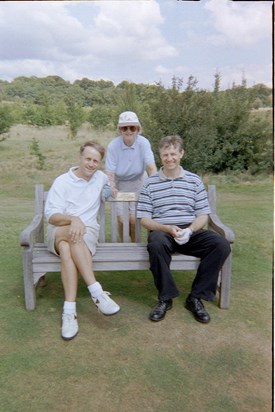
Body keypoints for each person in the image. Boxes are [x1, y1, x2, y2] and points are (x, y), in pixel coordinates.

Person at [136, 135, 231, 324]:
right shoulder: (149, 183)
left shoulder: (194, 181)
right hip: (163, 232)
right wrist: (166, 228)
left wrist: (190, 230)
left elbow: (203, 214)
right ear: (160, 156)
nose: (169, 158)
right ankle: (165, 298)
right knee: (156, 243)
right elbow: (144, 219)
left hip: (191, 232)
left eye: (173, 153)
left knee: (221, 245)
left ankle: (196, 298)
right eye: (165, 154)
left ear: (181, 154)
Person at [45, 141, 120, 341]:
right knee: (70, 234)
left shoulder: (100, 178)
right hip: (58, 230)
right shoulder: (62, 181)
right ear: (80, 157)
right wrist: (73, 219)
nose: (91, 164)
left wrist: (110, 188)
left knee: (67, 247)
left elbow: (110, 187)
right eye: (88, 158)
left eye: (96, 161)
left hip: (85, 234)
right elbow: (51, 217)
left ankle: (69, 312)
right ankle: (97, 292)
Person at [105, 111, 157, 241]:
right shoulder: (113, 146)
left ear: (138, 129)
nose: (128, 131)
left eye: (132, 127)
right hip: (120, 184)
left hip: (138, 182)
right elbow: (110, 172)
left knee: (134, 220)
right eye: (124, 127)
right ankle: (123, 243)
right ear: (120, 130)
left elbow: (151, 167)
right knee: (122, 219)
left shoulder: (144, 143)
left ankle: (134, 243)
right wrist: (112, 186)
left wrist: (155, 185)